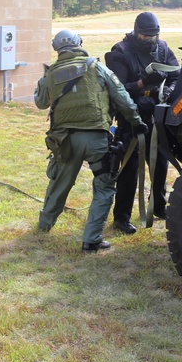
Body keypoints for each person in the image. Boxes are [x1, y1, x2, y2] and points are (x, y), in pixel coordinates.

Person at [35, 29, 145, 252]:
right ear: (79, 43)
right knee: (104, 187)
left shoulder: (50, 75)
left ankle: (44, 225)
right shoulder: (96, 67)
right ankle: (91, 240)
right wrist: (136, 121)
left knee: (59, 183)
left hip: (64, 140)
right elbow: (122, 97)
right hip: (96, 139)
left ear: (56, 49)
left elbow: (41, 102)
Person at [104, 11, 180, 234]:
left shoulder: (163, 48)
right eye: (146, 36)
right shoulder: (120, 52)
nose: (150, 40)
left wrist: (165, 92)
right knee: (129, 168)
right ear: (137, 32)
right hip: (132, 117)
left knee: (160, 165)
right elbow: (115, 90)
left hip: (156, 115)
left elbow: (176, 75)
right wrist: (142, 83)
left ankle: (157, 206)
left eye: (153, 36)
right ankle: (122, 217)